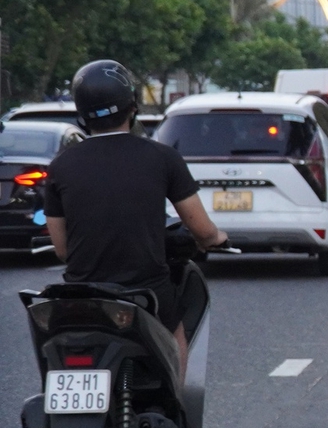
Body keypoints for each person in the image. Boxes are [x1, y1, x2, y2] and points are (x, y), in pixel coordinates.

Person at [41, 60, 229, 372]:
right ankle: (176, 410)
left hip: (80, 294)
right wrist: (218, 239)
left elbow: (63, 250)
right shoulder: (162, 158)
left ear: (82, 114)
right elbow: (204, 231)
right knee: (176, 337)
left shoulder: (61, 165)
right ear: (132, 106)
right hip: (146, 289)